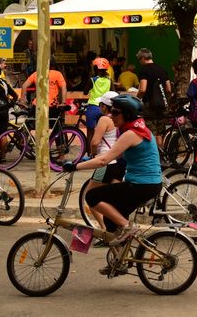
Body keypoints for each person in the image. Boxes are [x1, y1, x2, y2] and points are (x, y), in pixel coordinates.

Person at [64, 94, 162, 272]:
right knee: (110, 222)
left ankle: (127, 227)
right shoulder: (138, 129)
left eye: (116, 112)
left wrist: (75, 166)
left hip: (141, 185)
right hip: (146, 184)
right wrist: (89, 159)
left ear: (127, 114)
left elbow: (104, 161)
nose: (112, 116)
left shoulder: (131, 134)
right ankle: (119, 261)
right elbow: (110, 156)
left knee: (92, 196)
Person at [82, 91, 124, 236]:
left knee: (90, 196)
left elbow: (95, 142)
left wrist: (93, 153)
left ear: (104, 107)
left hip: (105, 163)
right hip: (118, 163)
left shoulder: (104, 120)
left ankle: (104, 229)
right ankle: (117, 228)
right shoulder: (121, 119)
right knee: (113, 200)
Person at [135, 48, 171, 145]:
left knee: (151, 132)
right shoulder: (162, 69)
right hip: (162, 105)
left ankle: (153, 156)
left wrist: (136, 99)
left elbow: (142, 89)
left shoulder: (144, 70)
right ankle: (160, 155)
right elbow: (168, 89)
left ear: (143, 58)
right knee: (160, 133)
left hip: (149, 105)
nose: (139, 62)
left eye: (139, 59)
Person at [85, 58, 113, 144]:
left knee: (90, 132)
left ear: (95, 68)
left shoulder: (92, 80)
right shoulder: (109, 80)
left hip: (93, 107)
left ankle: (90, 154)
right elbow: (113, 92)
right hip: (105, 108)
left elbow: (85, 92)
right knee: (104, 132)